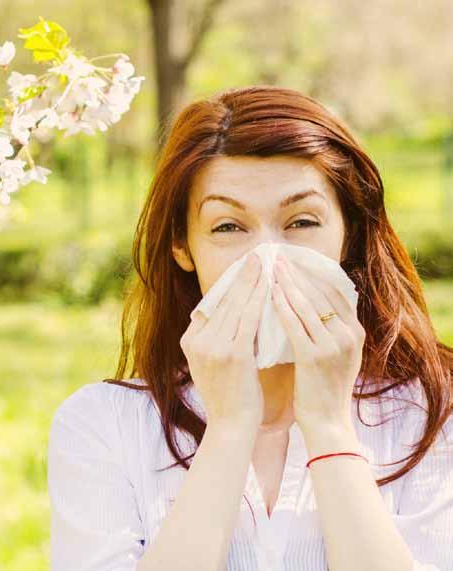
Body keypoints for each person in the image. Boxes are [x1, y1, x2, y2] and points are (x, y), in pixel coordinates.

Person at [47, 85, 453, 570]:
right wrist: (228, 429)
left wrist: (329, 427)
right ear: (183, 246)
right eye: (228, 227)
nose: (268, 260)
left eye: (301, 222)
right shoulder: (102, 425)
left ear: (350, 234)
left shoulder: (431, 416)